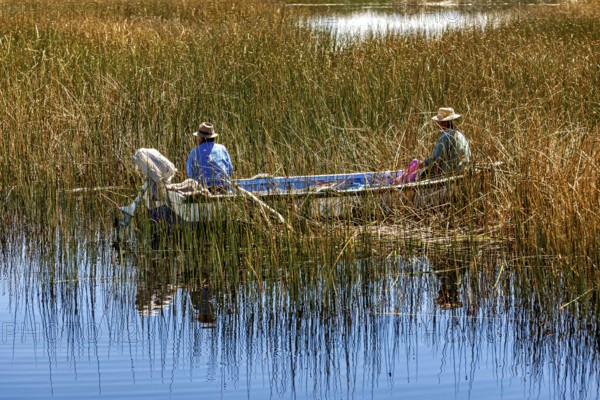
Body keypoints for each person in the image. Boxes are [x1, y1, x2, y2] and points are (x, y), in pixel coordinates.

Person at [394, 107, 470, 184]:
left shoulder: (446, 136)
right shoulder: (460, 134)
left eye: (439, 121)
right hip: (462, 170)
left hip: (451, 172)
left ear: (444, 122)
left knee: (422, 175)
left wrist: (421, 164)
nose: (438, 124)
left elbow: (435, 159)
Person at [186, 122, 233, 192]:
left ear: (200, 138)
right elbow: (230, 172)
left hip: (204, 191)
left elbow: (190, 173)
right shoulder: (222, 149)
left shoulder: (195, 152)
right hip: (224, 189)